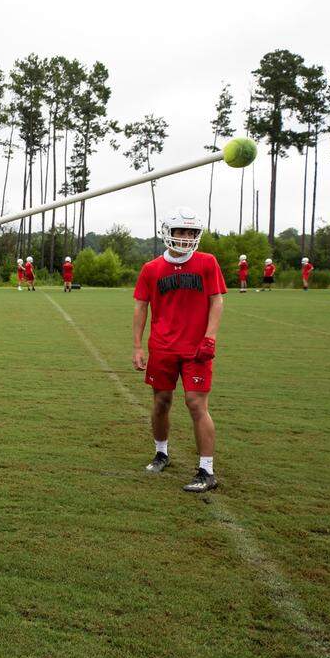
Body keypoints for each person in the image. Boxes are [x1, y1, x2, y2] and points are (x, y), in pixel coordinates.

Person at [132, 206, 225, 493]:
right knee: (161, 403)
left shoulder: (208, 262)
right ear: (168, 233)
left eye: (191, 233)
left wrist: (209, 338)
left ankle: (206, 470)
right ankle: (161, 453)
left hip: (196, 349)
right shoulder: (151, 269)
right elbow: (141, 307)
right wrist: (137, 345)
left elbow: (217, 301)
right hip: (162, 347)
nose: (185, 238)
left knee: (197, 405)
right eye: (180, 232)